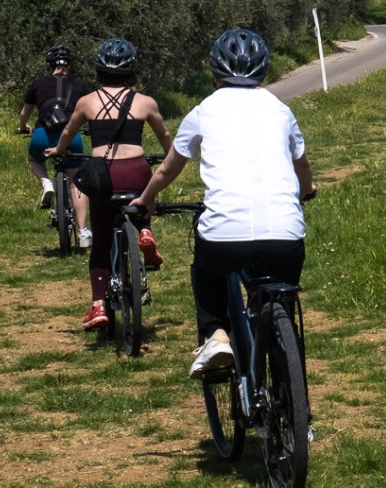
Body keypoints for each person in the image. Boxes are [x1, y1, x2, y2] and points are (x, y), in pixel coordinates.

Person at [132, 27, 314, 380]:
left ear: (215, 72)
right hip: (285, 234)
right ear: (263, 70)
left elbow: (169, 167)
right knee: (282, 304)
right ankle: (289, 395)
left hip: (223, 237)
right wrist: (306, 191)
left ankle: (215, 334)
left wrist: (147, 198)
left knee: (206, 269)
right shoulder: (280, 109)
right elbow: (302, 165)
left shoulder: (203, 111)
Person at [47, 38, 171, 330]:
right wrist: (169, 155)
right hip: (136, 168)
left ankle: (99, 304)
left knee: (101, 238)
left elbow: (68, 132)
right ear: (131, 72)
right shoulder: (145, 102)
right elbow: (166, 136)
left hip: (102, 172)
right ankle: (143, 229)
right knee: (143, 199)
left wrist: (60, 150)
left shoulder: (87, 101)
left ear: (99, 71)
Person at [16, 44, 89, 233]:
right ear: (69, 65)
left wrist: (23, 127)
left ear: (49, 65)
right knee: (75, 183)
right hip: (72, 136)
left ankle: (46, 182)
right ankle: (82, 232)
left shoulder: (38, 83)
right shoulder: (80, 86)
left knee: (34, 159)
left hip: (42, 135)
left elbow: (25, 113)